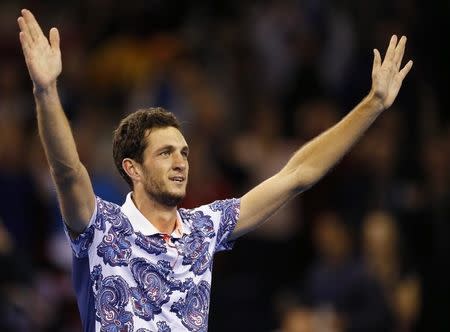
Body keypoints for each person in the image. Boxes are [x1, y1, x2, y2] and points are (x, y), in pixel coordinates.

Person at [17, 8, 413, 332]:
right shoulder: (100, 226)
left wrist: (373, 105)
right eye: (166, 153)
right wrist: (46, 90)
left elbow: (297, 174)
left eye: (185, 153)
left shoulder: (206, 228)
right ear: (132, 168)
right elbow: (69, 172)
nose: (181, 162)